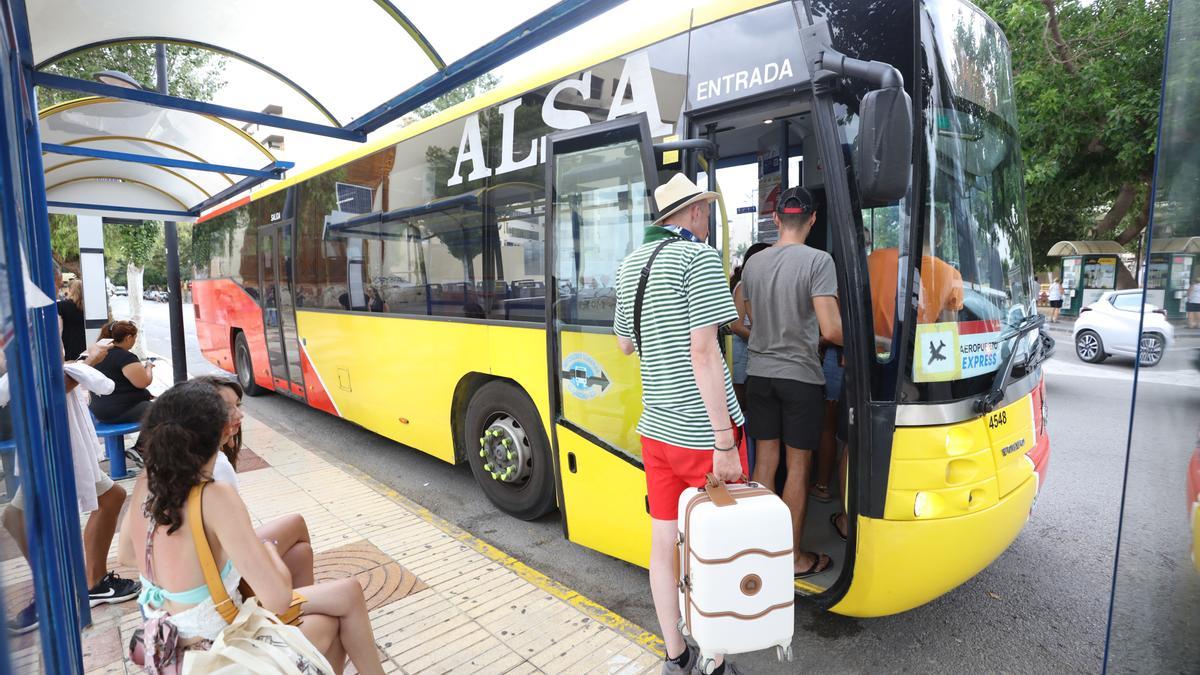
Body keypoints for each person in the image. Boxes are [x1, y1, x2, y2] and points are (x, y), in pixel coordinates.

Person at [118, 380, 384, 674]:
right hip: (217, 654)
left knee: (338, 599)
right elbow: (278, 598)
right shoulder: (214, 496)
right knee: (333, 623)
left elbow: (127, 556)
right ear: (222, 432)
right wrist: (268, 552)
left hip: (169, 647)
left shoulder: (146, 481)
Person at [613, 173, 747, 675]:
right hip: (701, 438)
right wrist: (724, 441)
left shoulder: (630, 266)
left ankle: (675, 655)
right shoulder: (699, 258)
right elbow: (705, 350)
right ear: (693, 213)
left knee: (663, 541)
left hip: (656, 432)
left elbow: (626, 345)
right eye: (706, 211)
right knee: (717, 545)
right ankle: (715, 659)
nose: (709, 220)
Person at [3, 338, 142, 635]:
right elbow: (52, 386)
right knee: (16, 518)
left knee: (112, 496)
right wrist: (90, 359)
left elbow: (52, 373)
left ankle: (92, 583)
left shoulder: (32, 314)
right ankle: (53, 593)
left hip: (57, 442)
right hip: (51, 450)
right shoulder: (23, 319)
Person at [742, 186, 841, 579]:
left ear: (777, 219)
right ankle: (792, 558)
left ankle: (758, 551)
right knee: (797, 469)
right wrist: (872, 343)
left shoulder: (753, 265)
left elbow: (741, 319)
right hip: (800, 377)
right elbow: (831, 329)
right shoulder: (819, 261)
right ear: (813, 220)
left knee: (765, 462)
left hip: (760, 375)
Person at [194, 374, 315, 587]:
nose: (239, 414)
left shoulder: (180, 457)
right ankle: (308, 604)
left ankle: (307, 602)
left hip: (196, 568)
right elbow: (238, 538)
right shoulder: (217, 464)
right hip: (221, 568)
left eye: (238, 405)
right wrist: (269, 552)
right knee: (296, 523)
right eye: (227, 408)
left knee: (302, 553)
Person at [89, 320, 154, 424]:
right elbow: (143, 382)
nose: (134, 341)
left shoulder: (97, 354)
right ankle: (146, 441)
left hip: (98, 409)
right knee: (164, 412)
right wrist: (149, 367)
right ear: (128, 338)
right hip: (118, 410)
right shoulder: (125, 357)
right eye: (134, 338)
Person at [58, 278, 86, 362]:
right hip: (87, 341)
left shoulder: (61, 306)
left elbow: (59, 329)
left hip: (69, 342)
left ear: (70, 290)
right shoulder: (88, 305)